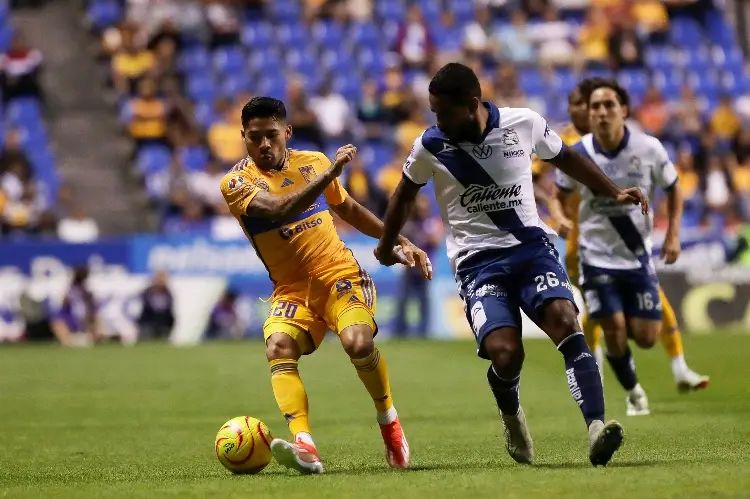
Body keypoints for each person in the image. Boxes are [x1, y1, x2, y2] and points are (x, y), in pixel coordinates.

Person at [375, 63, 647, 467]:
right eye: (433, 113)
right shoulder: (431, 145)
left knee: (564, 320)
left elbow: (568, 158)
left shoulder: (523, 123)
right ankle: (512, 416)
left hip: (531, 249)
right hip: (477, 263)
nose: (437, 121)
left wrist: (613, 191)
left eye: (443, 112)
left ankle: (595, 428)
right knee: (505, 353)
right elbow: (403, 195)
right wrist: (385, 246)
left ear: (471, 105)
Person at [219, 97, 431, 475]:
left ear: (287, 132)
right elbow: (278, 209)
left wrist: (401, 240)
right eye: (255, 138)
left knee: (358, 343)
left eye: (271, 135)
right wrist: (329, 174)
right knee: (278, 347)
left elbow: (347, 209)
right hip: (291, 289)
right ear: (243, 138)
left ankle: (389, 422)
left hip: (340, 275)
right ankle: (305, 445)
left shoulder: (313, 162)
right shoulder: (237, 182)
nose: (264, 145)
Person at [537, 79, 709, 393]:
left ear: (624, 110)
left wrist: (672, 235)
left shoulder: (648, 148)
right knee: (607, 320)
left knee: (644, 336)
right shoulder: (570, 148)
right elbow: (550, 191)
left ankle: (658, 358)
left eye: (607, 105)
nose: (599, 112)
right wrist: (559, 219)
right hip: (588, 249)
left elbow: (674, 189)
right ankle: (610, 377)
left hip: (635, 251)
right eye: (591, 106)